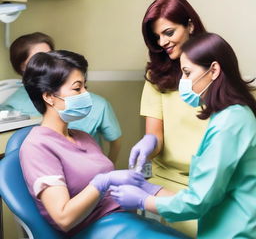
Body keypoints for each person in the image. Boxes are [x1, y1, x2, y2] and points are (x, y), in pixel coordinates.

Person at [20, 50, 189, 238]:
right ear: (49, 96)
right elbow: (64, 218)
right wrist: (102, 182)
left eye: (85, 86)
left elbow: (118, 191)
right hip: (97, 230)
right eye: (77, 88)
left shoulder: (83, 137)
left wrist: (189, 202)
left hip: (126, 221)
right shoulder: (37, 146)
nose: (86, 93)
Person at [110, 32, 256, 238]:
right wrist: (148, 187)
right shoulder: (227, 115)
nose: (183, 81)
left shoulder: (230, 123)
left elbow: (198, 200)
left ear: (213, 70)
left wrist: (144, 201)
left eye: (187, 73)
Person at [2, 32, 121, 163]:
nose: (48, 64)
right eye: (39, 59)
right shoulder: (15, 112)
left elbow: (115, 143)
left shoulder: (93, 117)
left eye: (50, 56)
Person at [129, 0, 208, 187]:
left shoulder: (216, 72)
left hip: (211, 179)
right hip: (165, 178)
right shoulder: (156, 79)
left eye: (169, 33)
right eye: (157, 37)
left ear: (190, 25)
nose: (162, 42)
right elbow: (155, 135)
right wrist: (149, 144)